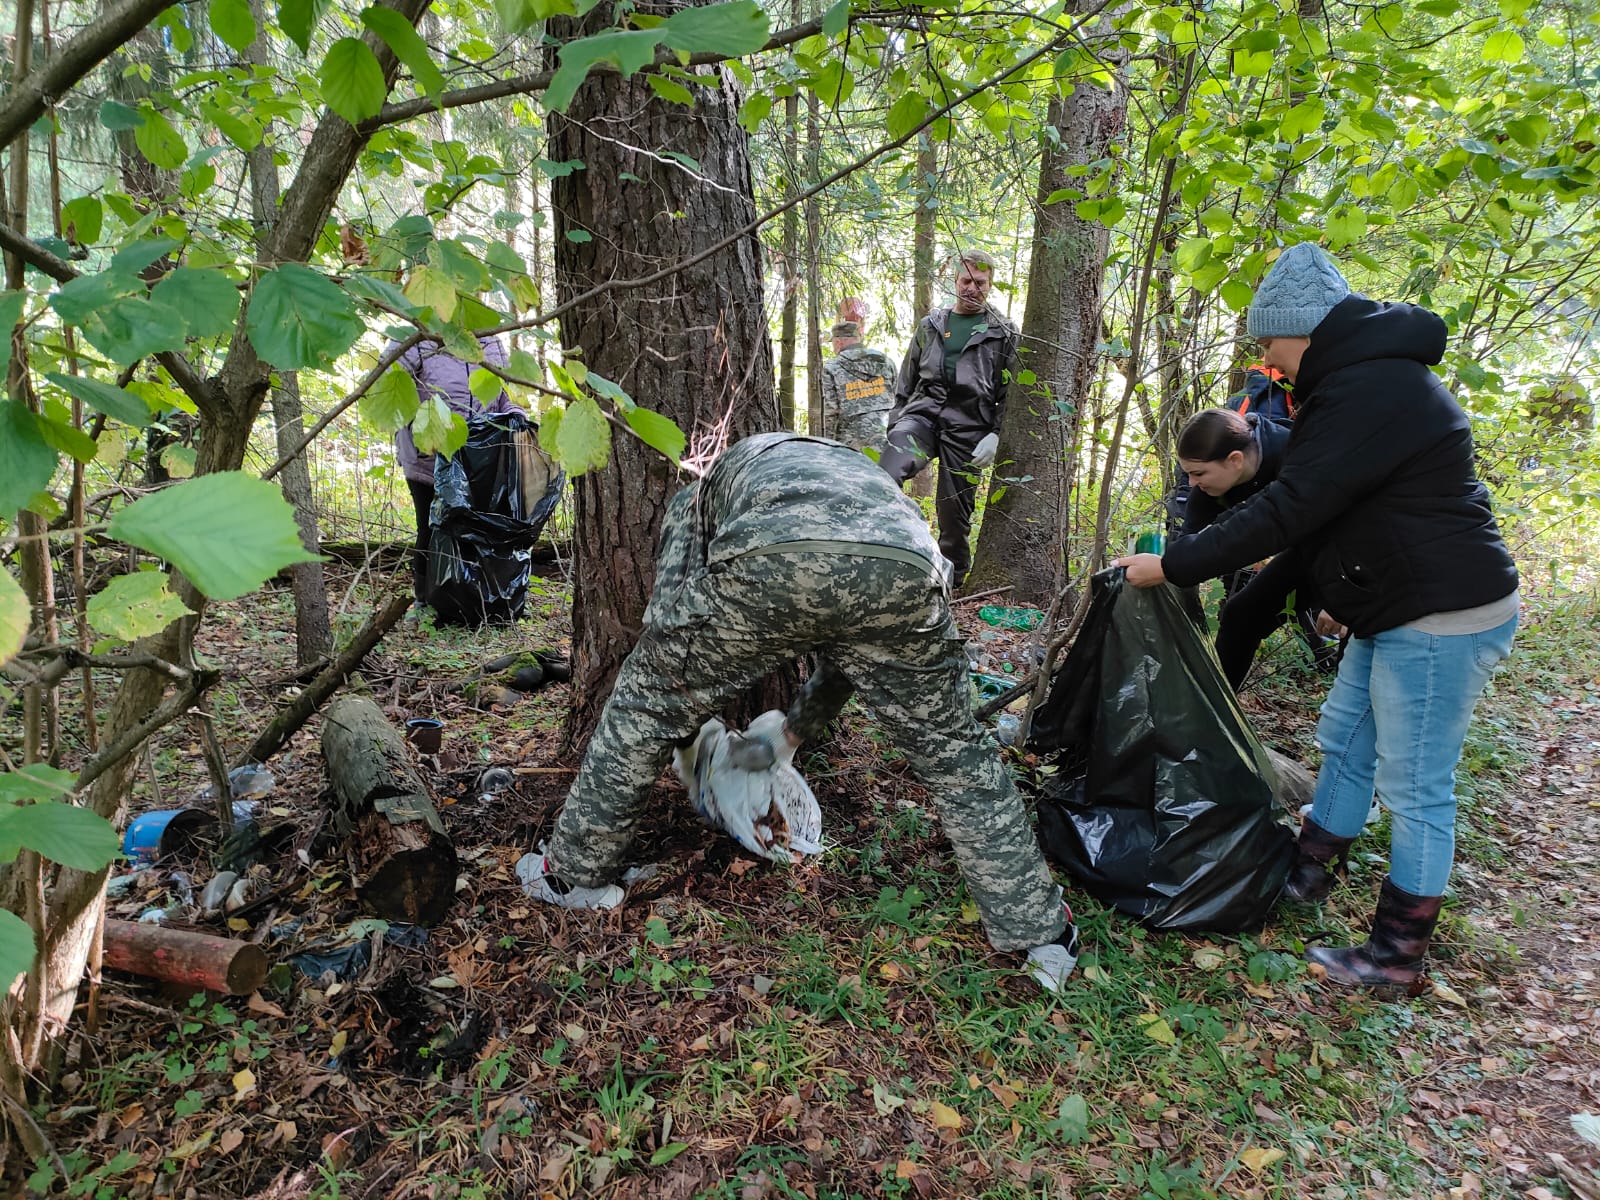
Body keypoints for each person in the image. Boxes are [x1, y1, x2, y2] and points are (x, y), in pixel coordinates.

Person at [516, 431, 1081, 993]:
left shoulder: (703, 489)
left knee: (643, 704)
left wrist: (676, 700)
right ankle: (1042, 935)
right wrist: (792, 732)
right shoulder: (862, 480)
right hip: (909, 566)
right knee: (957, 752)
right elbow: (850, 651)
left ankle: (574, 876)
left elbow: (671, 612)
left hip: (773, 561)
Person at [1114, 242, 1518, 993]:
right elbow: (1334, 518)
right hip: (1392, 605)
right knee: (1348, 747)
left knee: (1417, 785)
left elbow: (1289, 510)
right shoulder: (1354, 386)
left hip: (1443, 612)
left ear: (1303, 329)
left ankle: (1395, 957)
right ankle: (1304, 876)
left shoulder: (1376, 390)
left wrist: (1172, 565)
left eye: (1269, 341)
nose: (1268, 359)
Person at [879, 250, 1019, 586]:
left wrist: (996, 434)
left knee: (954, 513)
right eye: (966, 280)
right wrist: (897, 423)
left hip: (970, 427)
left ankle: (953, 581)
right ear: (955, 281)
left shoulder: (1004, 332)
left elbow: (1011, 393)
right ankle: (889, 553)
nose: (972, 288)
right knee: (886, 474)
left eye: (980, 283)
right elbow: (906, 380)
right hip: (922, 418)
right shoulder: (931, 325)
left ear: (991, 284)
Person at [1176, 407, 1329, 690]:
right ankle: (1215, 712)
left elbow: (1347, 525)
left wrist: (1338, 603)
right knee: (1241, 616)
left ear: (1235, 460)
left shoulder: (1297, 452)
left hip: (1351, 552)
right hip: (1303, 551)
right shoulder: (1209, 489)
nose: (1192, 484)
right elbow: (1188, 547)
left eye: (1198, 473)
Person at [391, 334, 516, 608]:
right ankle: (424, 600)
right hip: (428, 455)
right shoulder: (418, 337)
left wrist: (515, 415)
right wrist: (424, 428)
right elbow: (390, 386)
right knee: (430, 526)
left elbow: (503, 392)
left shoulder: (489, 341)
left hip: (479, 457)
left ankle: (472, 600)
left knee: (477, 526)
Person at [819, 299, 897, 452]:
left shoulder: (831, 369)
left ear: (838, 342)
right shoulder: (886, 363)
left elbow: (830, 415)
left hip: (850, 450)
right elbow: (899, 399)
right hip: (885, 445)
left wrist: (826, 450)